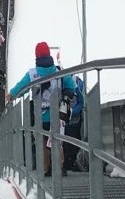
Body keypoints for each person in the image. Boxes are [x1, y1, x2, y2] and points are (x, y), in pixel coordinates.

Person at [9, 42, 76, 176]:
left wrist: (11, 95)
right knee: (56, 141)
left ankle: (44, 170)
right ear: (49, 55)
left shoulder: (32, 74)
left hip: (40, 116)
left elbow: (20, 88)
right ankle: (59, 168)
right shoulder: (58, 72)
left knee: (42, 142)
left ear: (36, 57)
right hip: (57, 116)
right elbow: (72, 86)